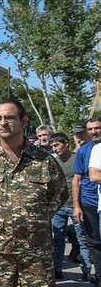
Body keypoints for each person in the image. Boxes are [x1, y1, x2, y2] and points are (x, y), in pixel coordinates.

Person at [0, 99, 68, 286]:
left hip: (35, 250)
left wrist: (34, 219)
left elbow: (60, 193)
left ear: (23, 121)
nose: (3, 123)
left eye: (9, 117)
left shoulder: (43, 160)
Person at [52, 133, 92, 280]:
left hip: (77, 206)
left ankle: (86, 271)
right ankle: (57, 269)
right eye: (52, 146)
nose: (55, 149)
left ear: (66, 144)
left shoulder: (78, 158)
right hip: (59, 207)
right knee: (58, 240)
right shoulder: (53, 162)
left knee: (82, 240)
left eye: (57, 145)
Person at [74, 117, 101, 283]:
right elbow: (76, 179)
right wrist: (77, 206)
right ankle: (99, 276)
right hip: (89, 201)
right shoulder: (83, 151)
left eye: (97, 128)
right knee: (94, 241)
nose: (94, 132)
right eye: (90, 129)